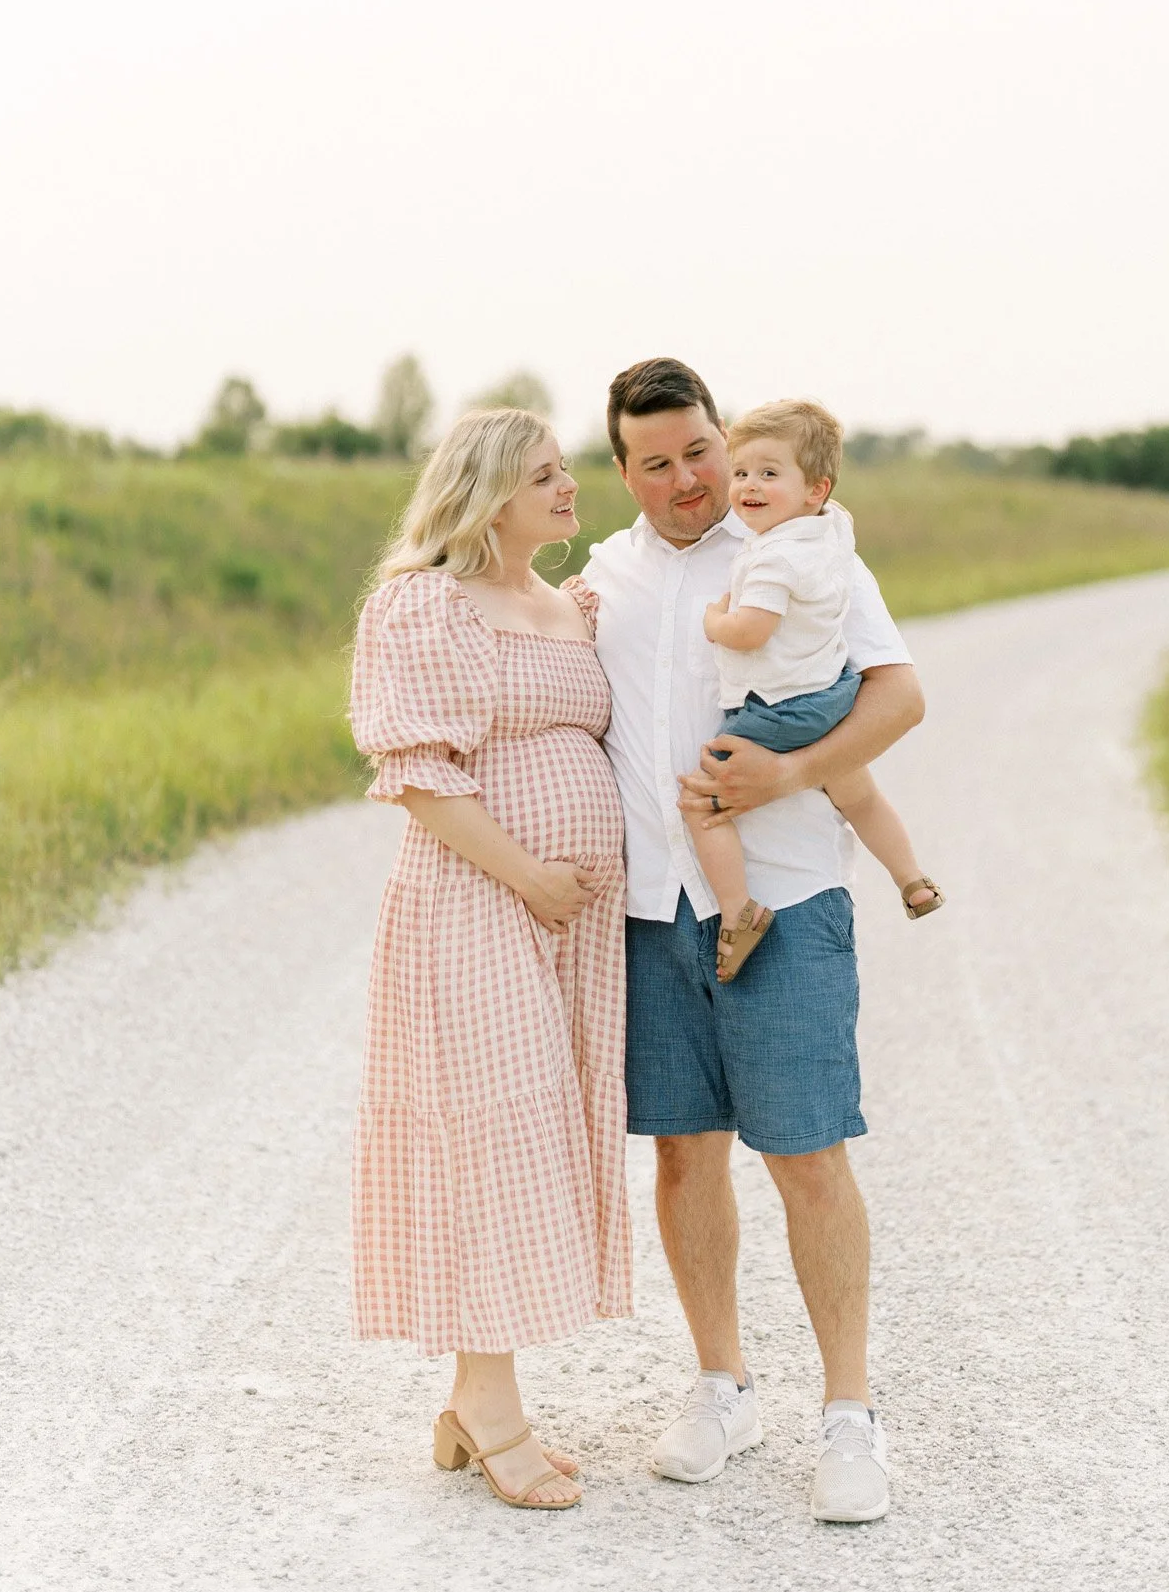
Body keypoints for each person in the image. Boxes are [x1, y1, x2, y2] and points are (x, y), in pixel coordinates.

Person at [578, 358, 926, 1523]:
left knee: (807, 1153)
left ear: (728, 441)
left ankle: (848, 1413)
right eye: (658, 460)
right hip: (653, 907)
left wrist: (792, 771)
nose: (690, 479)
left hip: (784, 892)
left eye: (701, 450)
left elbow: (897, 695)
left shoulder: (800, 543)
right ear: (623, 469)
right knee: (682, 1153)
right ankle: (722, 1385)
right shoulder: (605, 577)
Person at [348, 407, 631, 1512]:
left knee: (532, 1139)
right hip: (476, 902)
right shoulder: (427, 604)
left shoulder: (569, 605)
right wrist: (527, 873)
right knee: (492, 1141)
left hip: (571, 924)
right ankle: (497, 1413)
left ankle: (477, 1401)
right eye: (545, 475)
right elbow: (417, 775)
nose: (570, 487)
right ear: (485, 493)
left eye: (565, 470)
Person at [681, 397, 943, 979]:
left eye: (769, 474)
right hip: (832, 696)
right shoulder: (831, 532)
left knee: (701, 802)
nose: (748, 486)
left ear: (814, 489)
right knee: (858, 795)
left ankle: (737, 912)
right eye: (742, 471)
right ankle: (912, 878)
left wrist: (714, 621)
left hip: (780, 708)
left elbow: (750, 632)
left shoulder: (773, 557)